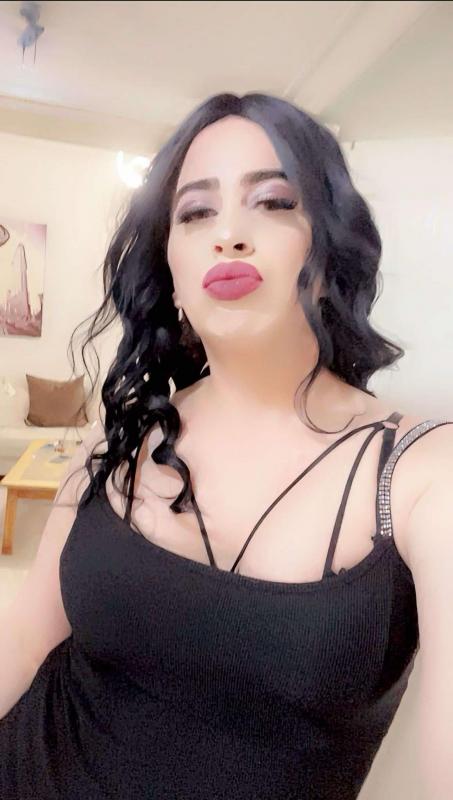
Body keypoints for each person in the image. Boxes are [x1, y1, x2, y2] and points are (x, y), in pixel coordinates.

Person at [1, 92, 452, 800]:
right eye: (196, 212)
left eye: (273, 202)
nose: (229, 234)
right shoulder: (121, 436)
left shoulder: (424, 473)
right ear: (172, 274)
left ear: (329, 249)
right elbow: (26, 639)